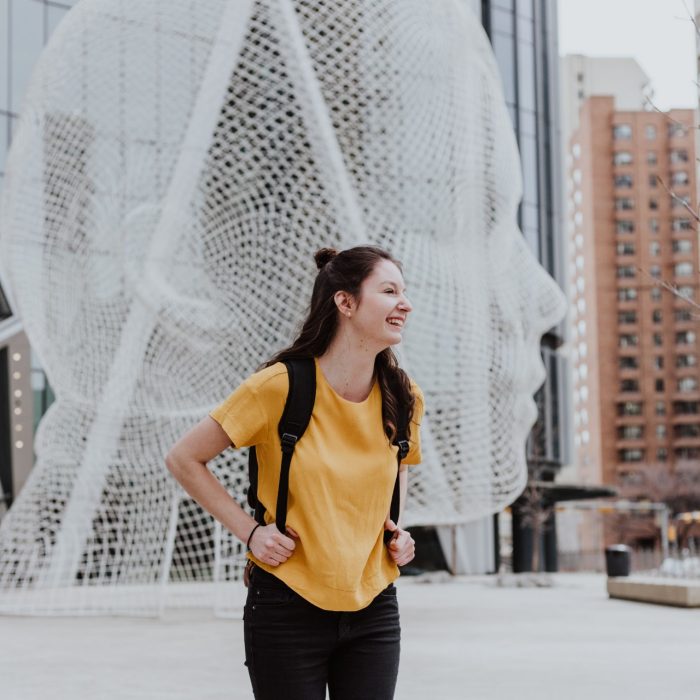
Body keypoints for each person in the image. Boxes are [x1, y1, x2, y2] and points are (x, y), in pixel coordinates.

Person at [165, 245, 424, 699]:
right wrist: (251, 534)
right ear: (345, 303)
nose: (405, 303)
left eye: (404, 292)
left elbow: (398, 463)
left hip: (374, 604)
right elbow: (184, 459)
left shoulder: (402, 395)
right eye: (389, 291)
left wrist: (396, 530)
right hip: (286, 604)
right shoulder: (279, 386)